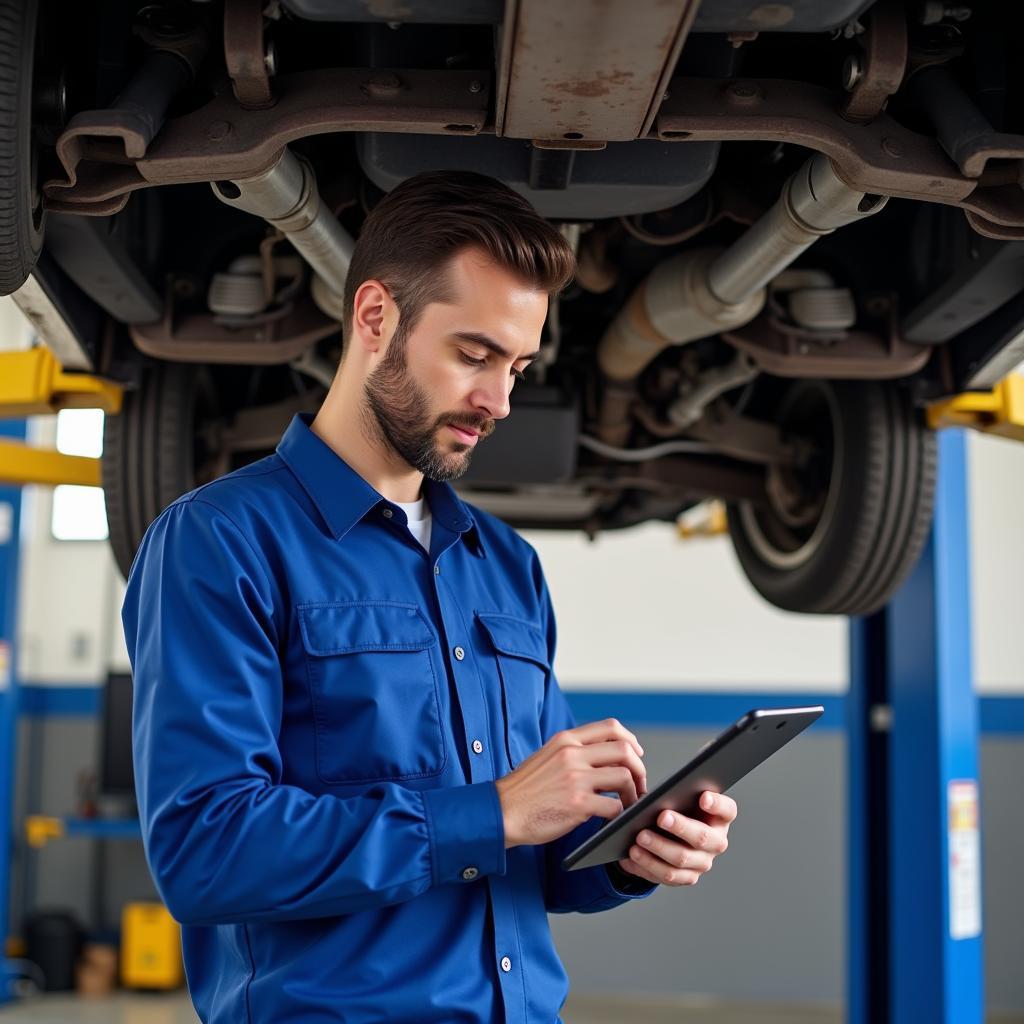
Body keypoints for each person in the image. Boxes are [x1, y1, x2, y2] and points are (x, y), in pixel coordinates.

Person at [121, 170, 738, 1024]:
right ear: (375, 317)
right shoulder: (221, 541)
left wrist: (628, 855)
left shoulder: (506, 563)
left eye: (518, 366)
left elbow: (527, 854)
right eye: (475, 355)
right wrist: (488, 813)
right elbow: (205, 852)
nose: (500, 400)